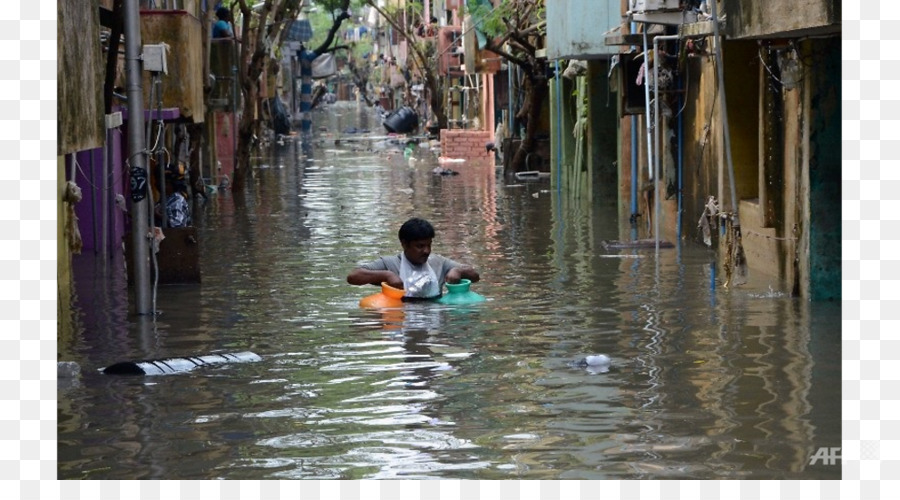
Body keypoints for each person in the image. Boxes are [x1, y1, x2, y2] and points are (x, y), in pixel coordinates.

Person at [347, 217, 480, 300]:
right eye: (420, 246)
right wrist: (386, 275)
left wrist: (458, 271)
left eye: (429, 245)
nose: (426, 251)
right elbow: (353, 277)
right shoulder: (390, 263)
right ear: (404, 244)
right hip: (401, 318)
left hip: (434, 316)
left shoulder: (439, 262)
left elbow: (475, 276)